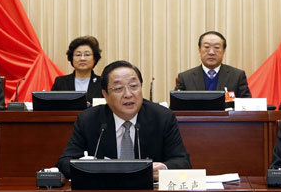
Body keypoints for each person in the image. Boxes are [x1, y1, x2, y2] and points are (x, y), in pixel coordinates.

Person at [58, 60, 191, 179]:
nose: (128, 94)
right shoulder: (88, 120)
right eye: (118, 88)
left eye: (134, 86)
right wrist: (89, 167)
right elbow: (64, 162)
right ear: (105, 94)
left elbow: (182, 161)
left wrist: (164, 168)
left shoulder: (162, 117)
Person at [174, 31, 252, 97]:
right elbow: (176, 107)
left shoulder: (237, 76)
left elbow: (246, 105)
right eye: (207, 47)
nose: (211, 52)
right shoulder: (185, 77)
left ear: (224, 50)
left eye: (217, 47)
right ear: (199, 49)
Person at [51, 36, 104, 101]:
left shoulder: (103, 83)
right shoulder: (60, 82)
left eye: (87, 55)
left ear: (94, 59)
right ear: (71, 58)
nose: (82, 59)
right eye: (78, 55)